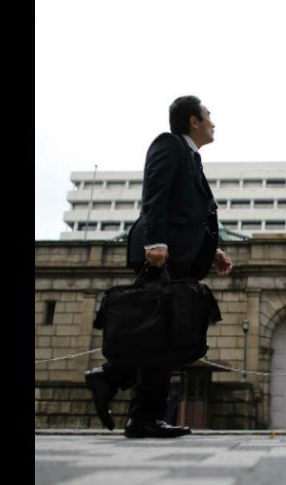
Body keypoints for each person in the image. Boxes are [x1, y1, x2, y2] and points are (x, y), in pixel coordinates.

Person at [85, 95, 233, 438]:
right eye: (209, 115)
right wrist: (156, 241)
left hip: (176, 253)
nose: (213, 121)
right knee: (164, 331)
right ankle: (127, 398)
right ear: (193, 120)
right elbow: (155, 192)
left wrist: (212, 250)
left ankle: (130, 403)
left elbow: (188, 215)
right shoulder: (169, 145)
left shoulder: (191, 158)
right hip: (161, 253)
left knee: (163, 333)